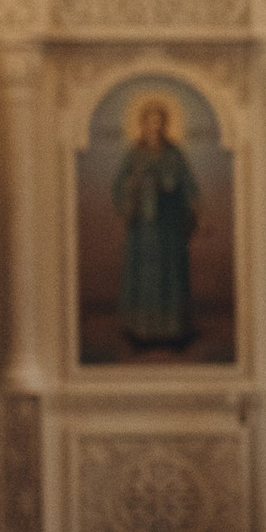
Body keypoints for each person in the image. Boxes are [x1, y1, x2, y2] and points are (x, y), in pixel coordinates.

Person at [111, 96, 200, 352]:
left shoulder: (175, 153)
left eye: (159, 122)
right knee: (144, 276)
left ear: (165, 125)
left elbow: (189, 185)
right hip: (143, 228)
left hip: (170, 225)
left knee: (171, 274)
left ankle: (173, 332)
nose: (154, 127)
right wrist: (134, 188)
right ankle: (140, 332)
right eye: (149, 122)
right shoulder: (134, 155)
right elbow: (118, 186)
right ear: (142, 125)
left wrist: (193, 207)